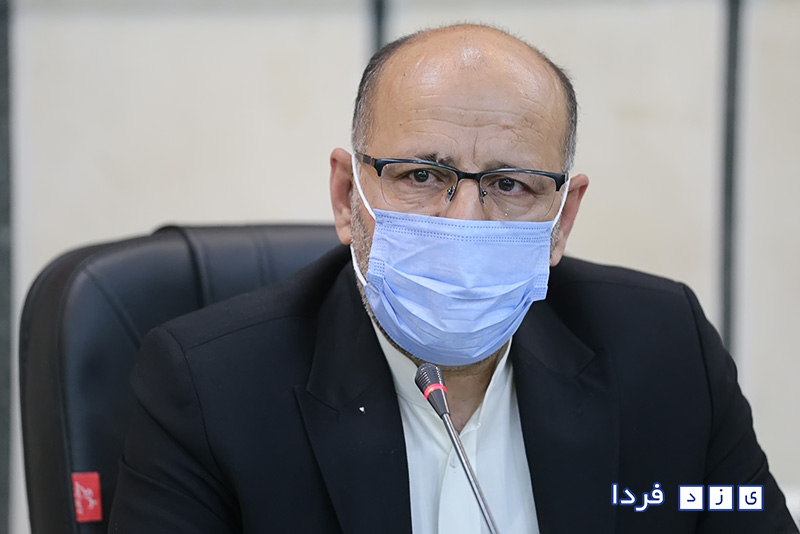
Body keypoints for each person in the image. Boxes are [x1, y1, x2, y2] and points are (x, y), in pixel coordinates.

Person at [108, 24, 798, 533]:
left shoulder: (666, 348)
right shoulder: (209, 386)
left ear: (562, 219)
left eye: (510, 183)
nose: (464, 220)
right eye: (421, 175)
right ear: (347, 196)